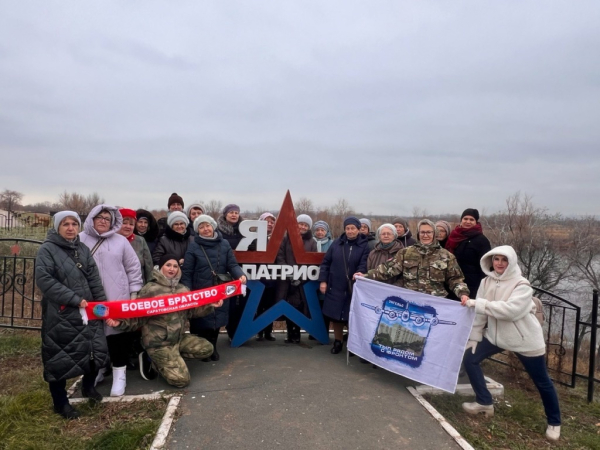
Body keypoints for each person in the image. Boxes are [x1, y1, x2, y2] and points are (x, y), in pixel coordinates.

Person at [461, 245, 561, 441]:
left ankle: (554, 422)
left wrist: (477, 303)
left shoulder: (522, 285)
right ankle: (484, 402)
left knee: (542, 381)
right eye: (496, 259)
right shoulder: (486, 282)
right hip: (497, 337)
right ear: (491, 261)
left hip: (525, 339)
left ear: (511, 262)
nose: (499, 263)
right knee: (469, 358)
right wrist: (475, 336)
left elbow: (511, 311)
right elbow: (480, 315)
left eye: (504, 260)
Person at [35, 211, 109, 419]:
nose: (70, 228)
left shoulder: (82, 249)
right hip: (62, 313)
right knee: (59, 356)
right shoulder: (47, 250)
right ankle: (60, 403)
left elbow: (94, 279)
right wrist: (74, 299)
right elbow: (45, 280)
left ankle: (88, 387)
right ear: (57, 227)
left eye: (74, 224)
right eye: (65, 224)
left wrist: (101, 306)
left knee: (92, 349)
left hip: (88, 311)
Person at [106, 254, 220, 388]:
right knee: (181, 380)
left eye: (175, 266)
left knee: (207, 349)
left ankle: (173, 358)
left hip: (178, 339)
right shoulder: (150, 290)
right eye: (168, 265)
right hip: (158, 343)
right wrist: (119, 323)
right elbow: (137, 317)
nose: (172, 269)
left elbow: (192, 312)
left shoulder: (182, 289)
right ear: (161, 267)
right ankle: (152, 360)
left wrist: (210, 305)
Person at [80, 205, 144, 397]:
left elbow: (133, 267)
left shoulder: (120, 242)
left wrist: (134, 292)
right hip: (89, 299)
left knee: (117, 336)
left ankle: (119, 374)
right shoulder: (80, 240)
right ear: (91, 218)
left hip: (117, 297)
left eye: (107, 218)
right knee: (92, 337)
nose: (103, 221)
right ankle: (97, 370)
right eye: (99, 217)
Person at [181, 215, 246, 361]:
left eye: (207, 226)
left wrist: (240, 275)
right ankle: (201, 350)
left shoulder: (224, 244)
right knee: (201, 319)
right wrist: (187, 291)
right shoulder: (194, 246)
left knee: (217, 317)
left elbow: (232, 265)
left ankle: (213, 346)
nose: (205, 229)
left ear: (213, 226)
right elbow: (187, 271)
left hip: (219, 288)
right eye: (201, 227)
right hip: (200, 289)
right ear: (198, 230)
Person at [357, 219, 469, 303]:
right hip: (409, 301)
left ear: (434, 234)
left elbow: (455, 279)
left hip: (434, 302)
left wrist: (463, 294)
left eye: (429, 232)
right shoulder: (406, 253)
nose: (425, 235)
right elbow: (386, 270)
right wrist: (365, 276)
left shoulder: (447, 256)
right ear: (418, 234)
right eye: (422, 232)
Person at [318, 216, 370, 354]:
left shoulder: (365, 245)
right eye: (347, 228)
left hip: (354, 287)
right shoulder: (337, 244)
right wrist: (323, 281)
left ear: (358, 229)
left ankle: (353, 344)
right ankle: (338, 341)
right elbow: (326, 263)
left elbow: (364, 264)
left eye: (353, 228)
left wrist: (360, 272)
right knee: (336, 317)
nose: (350, 231)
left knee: (352, 316)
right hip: (335, 285)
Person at [276, 214, 317, 344]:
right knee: (286, 305)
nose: (302, 227)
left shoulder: (312, 242)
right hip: (286, 281)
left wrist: (301, 277)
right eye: (300, 224)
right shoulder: (286, 239)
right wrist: (288, 273)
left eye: (305, 225)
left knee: (300, 306)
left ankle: (297, 334)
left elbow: (313, 262)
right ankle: (289, 333)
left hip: (302, 282)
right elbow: (280, 256)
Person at [446, 208, 492, 298]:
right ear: (461, 220)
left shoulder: (481, 240)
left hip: (471, 286)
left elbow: (486, 266)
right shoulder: (453, 236)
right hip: (452, 283)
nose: (468, 221)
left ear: (476, 222)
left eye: (471, 219)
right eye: (465, 219)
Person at [217, 204, 246, 339]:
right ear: (225, 214)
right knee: (229, 305)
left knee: (242, 304)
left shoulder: (245, 230)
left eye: (236, 212)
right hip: (224, 272)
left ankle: (238, 332)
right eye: (231, 212)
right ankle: (229, 331)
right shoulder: (218, 230)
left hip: (242, 271)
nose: (234, 215)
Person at [256, 212, 277, 341]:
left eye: (272, 222)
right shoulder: (254, 238)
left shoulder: (278, 238)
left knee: (270, 306)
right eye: (266, 221)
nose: (269, 224)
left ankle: (268, 331)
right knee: (258, 306)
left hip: (273, 279)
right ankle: (259, 331)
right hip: (258, 278)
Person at [119, 208, 153, 283]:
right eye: (124, 223)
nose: (128, 226)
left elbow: (149, 266)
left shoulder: (140, 241)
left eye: (131, 224)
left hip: (139, 286)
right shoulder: (110, 240)